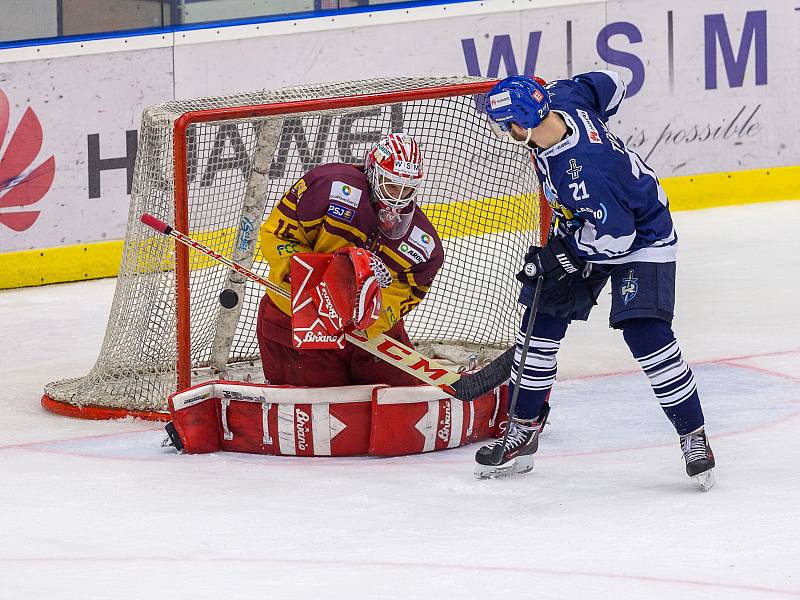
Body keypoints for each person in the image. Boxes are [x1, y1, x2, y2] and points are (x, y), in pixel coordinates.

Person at [475, 72, 715, 489]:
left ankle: (694, 436)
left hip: (641, 235)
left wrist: (561, 257)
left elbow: (617, 239)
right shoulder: (563, 98)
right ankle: (524, 427)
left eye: (506, 124)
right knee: (541, 318)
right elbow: (613, 82)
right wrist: (562, 256)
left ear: (524, 120)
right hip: (591, 225)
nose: (503, 132)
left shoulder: (587, 170)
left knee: (645, 333)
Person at [256, 132, 444, 387]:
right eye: (392, 184)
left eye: (407, 188)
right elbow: (278, 234)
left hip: (366, 336)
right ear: (373, 172)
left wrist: (367, 317)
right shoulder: (328, 187)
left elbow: (406, 291)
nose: (399, 197)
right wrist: (302, 280)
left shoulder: (423, 243)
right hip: (297, 316)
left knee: (401, 398)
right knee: (316, 411)